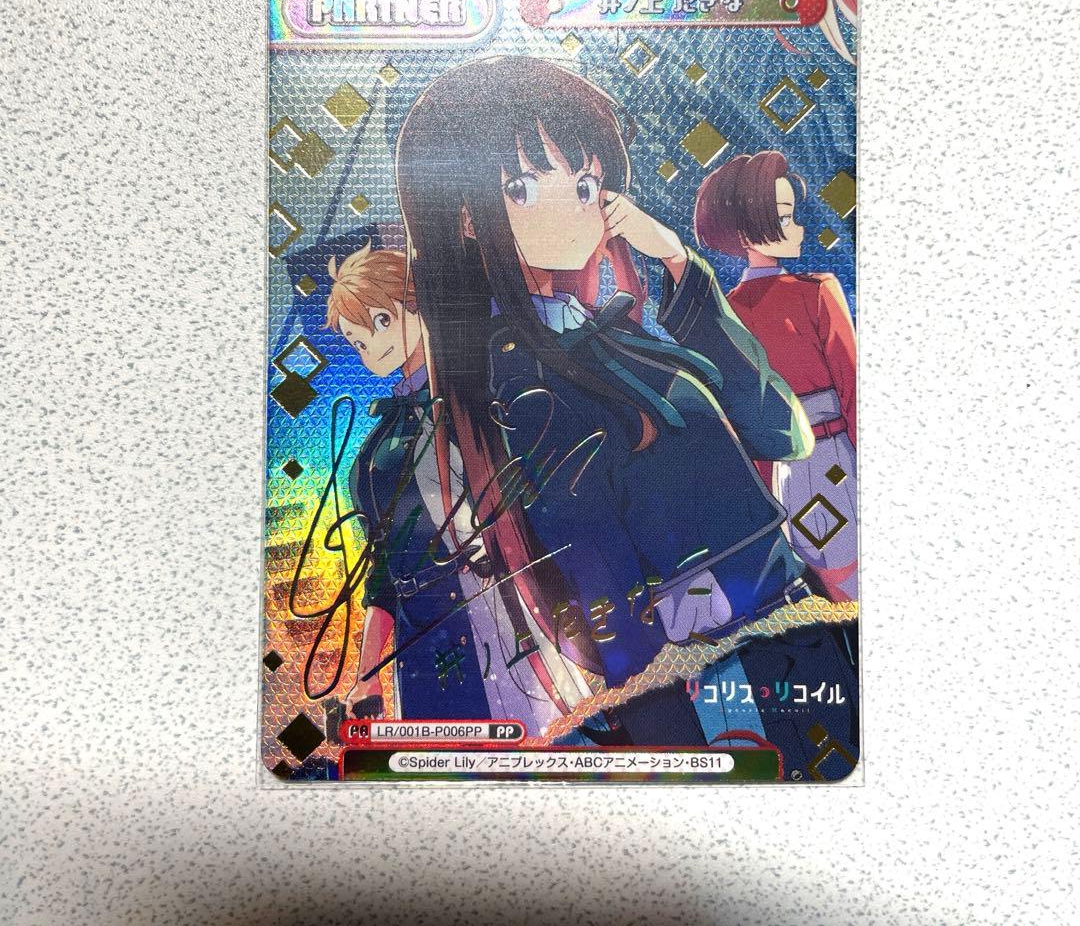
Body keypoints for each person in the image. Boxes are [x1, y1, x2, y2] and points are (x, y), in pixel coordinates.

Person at [393, 56, 858, 767]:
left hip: (788, 634)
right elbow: (604, 611)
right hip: (718, 685)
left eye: (585, 184)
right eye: (524, 186)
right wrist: (674, 735)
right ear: (463, 214)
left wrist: (676, 260)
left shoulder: (612, 335)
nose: (575, 208)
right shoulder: (516, 386)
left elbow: (780, 429)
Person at [326, 244, 589, 735]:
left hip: (506, 618)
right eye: (357, 342)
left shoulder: (482, 396)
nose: (373, 348)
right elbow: (383, 572)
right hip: (425, 647)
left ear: (418, 303)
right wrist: (367, 674)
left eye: (382, 321)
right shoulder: (375, 455)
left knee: (548, 744)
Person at [694, 150, 857, 602]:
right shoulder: (817, 292)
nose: (799, 228)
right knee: (849, 572)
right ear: (747, 231)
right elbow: (854, 390)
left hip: (787, 474)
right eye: (786, 217)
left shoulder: (722, 315)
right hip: (833, 457)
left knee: (833, 573)